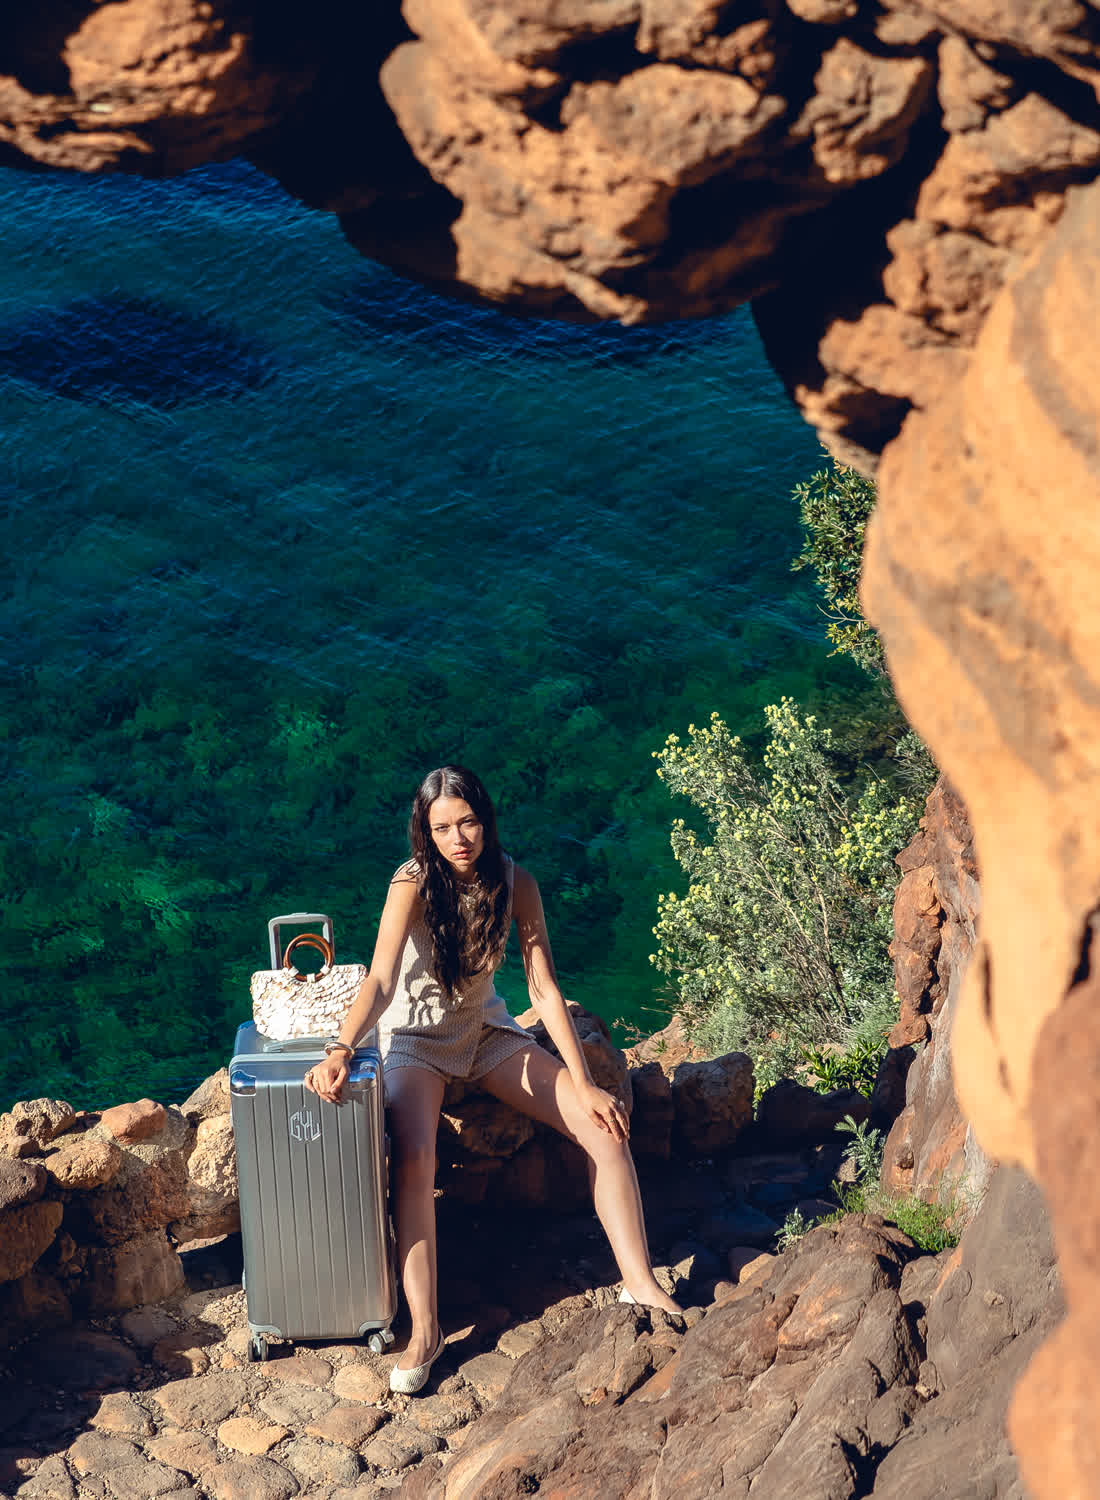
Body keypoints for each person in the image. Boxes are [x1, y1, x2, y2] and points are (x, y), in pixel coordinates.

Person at [305, 765, 681, 1394]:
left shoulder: (515, 881)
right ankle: (424, 1327)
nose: (460, 838)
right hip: (416, 1043)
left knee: (603, 1129)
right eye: (443, 827)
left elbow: (542, 987)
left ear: (486, 819)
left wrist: (585, 1082)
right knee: (416, 1157)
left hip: (485, 1034)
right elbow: (378, 980)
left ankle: (638, 1283)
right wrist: (342, 1046)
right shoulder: (412, 885)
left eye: (469, 822)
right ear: (425, 831)